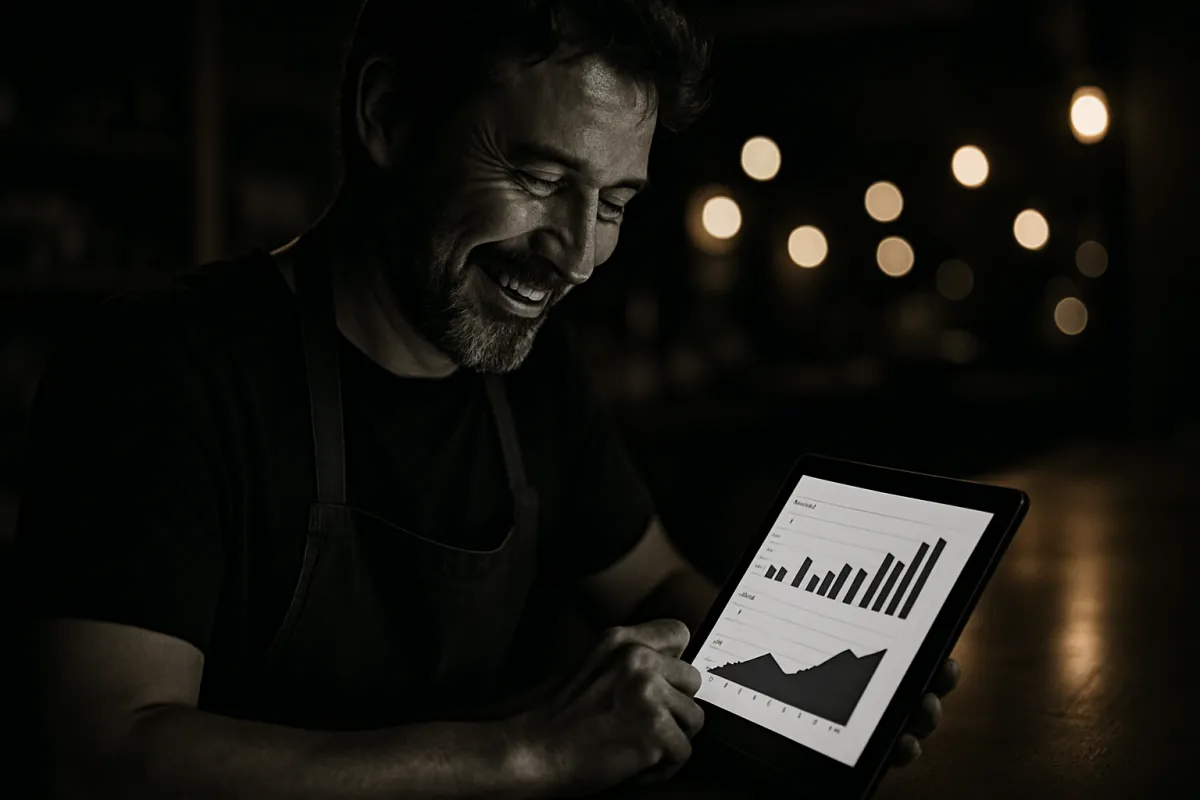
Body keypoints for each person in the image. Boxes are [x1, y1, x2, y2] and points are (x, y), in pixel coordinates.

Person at [13, 1, 960, 797]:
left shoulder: (535, 376)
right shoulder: (162, 367)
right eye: (541, 180)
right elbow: (105, 750)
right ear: (388, 119)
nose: (579, 254)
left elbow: (657, 584)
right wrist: (525, 753)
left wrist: (808, 680)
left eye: (617, 204)